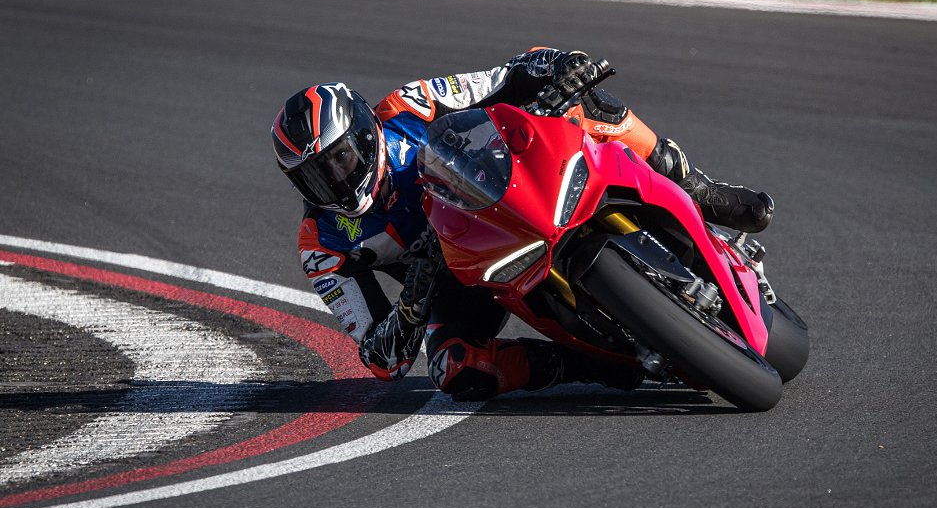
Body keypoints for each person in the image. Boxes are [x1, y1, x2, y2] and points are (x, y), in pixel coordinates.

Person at [271, 47, 773, 401]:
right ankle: (586, 366)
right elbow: (383, 361)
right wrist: (411, 301)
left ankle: (697, 188)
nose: (335, 181)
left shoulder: (410, 105)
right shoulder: (323, 244)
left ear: (364, 130)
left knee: (579, 102)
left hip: (502, 193)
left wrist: (555, 65)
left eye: (339, 159)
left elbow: (505, 76)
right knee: (454, 371)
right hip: (462, 280)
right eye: (315, 178)